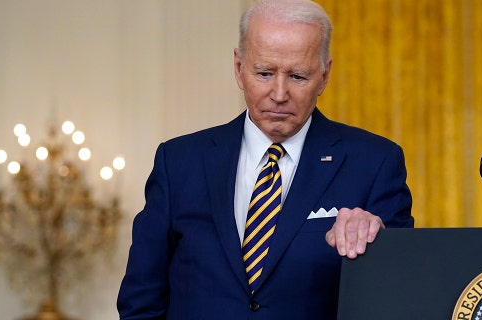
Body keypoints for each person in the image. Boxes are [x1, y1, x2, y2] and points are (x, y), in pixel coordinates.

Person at [117, 0, 413, 319]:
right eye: (264, 73)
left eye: (298, 76)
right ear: (239, 67)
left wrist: (381, 245)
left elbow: (398, 295)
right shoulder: (177, 163)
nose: (280, 93)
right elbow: (141, 302)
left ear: (325, 75)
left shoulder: (375, 163)